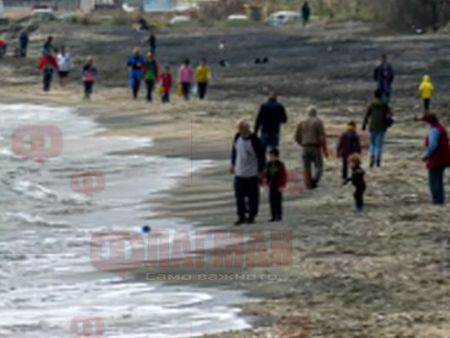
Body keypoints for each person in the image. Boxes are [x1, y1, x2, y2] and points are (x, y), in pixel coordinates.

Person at [230, 120, 264, 225]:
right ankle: (241, 216)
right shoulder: (237, 137)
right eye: (239, 129)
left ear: (247, 129)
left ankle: (251, 216)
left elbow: (261, 156)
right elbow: (234, 151)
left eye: (242, 129)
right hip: (239, 173)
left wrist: (260, 170)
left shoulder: (255, 140)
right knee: (239, 196)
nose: (240, 131)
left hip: (252, 174)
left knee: (253, 197)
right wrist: (232, 164)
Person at [295, 106, 328, 189]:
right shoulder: (318, 122)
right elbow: (322, 137)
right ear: (315, 113)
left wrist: (302, 144)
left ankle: (308, 185)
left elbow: (296, 137)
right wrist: (324, 150)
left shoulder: (301, 122)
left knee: (306, 167)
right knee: (319, 166)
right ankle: (314, 180)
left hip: (305, 147)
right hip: (315, 147)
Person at [422, 114, 450, 205]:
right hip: (443, 158)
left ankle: (437, 201)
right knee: (439, 180)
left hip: (436, 159)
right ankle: (440, 200)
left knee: (434, 182)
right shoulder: (441, 128)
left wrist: (426, 155)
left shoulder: (434, 131)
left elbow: (433, 146)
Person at [363, 89, 392, 168]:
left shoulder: (372, 104)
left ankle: (372, 156)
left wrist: (364, 125)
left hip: (372, 126)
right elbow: (390, 114)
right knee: (379, 144)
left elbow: (367, 115)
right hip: (381, 126)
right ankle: (377, 159)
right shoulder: (384, 104)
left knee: (372, 143)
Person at [254, 93, 288, 161]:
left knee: (262, 150)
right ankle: (273, 166)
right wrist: (278, 119)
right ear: (276, 98)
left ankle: (263, 166)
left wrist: (255, 131)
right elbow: (284, 120)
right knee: (273, 150)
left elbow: (258, 119)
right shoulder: (279, 106)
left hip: (265, 131)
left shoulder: (263, 106)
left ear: (268, 98)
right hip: (275, 131)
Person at [263, 148, 288, 222]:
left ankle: (279, 215)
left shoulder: (280, 165)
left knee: (278, 201)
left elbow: (284, 175)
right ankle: (273, 216)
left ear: (277, 156)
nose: (271, 158)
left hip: (278, 185)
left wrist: (282, 185)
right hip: (271, 185)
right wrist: (264, 181)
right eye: (270, 156)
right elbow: (265, 174)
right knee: (272, 201)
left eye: (273, 156)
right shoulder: (268, 164)